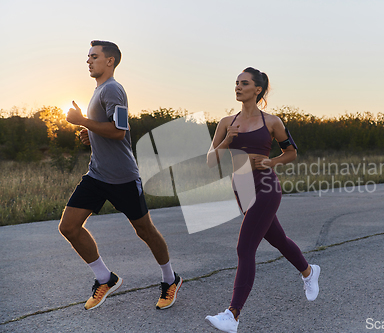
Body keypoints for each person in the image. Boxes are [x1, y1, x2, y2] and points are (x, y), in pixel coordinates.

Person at [61, 40, 182, 310]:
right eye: (88, 57)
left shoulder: (113, 89)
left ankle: (170, 279)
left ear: (110, 61)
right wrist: (91, 135)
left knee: (145, 231)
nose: (89, 61)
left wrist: (82, 121)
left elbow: (119, 131)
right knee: (68, 226)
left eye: (94, 56)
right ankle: (105, 278)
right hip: (97, 174)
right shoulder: (99, 90)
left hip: (123, 177)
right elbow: (107, 130)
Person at [205, 67, 320, 332]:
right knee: (278, 239)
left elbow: (291, 152)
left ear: (258, 90)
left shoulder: (272, 122)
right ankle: (308, 271)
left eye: (244, 83)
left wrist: (271, 161)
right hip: (241, 187)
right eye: (236, 83)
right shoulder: (226, 122)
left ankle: (232, 315)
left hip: (266, 186)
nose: (238, 87)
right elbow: (211, 161)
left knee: (245, 249)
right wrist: (227, 141)